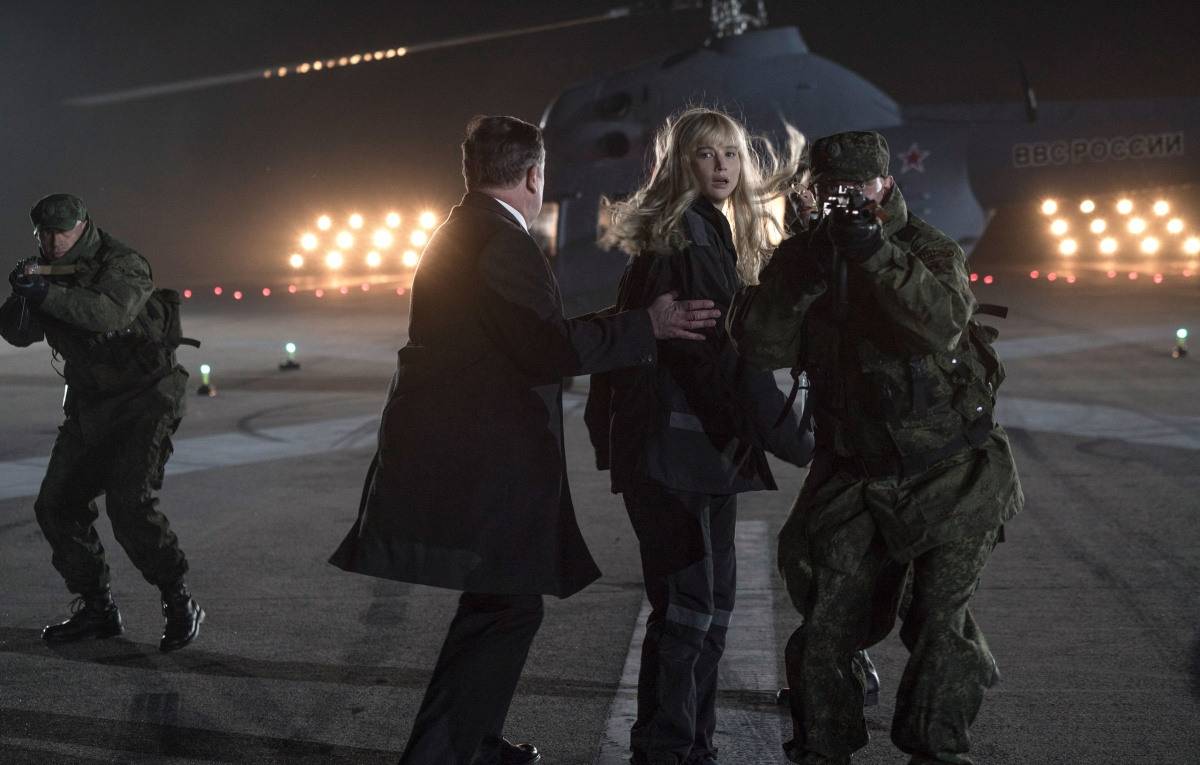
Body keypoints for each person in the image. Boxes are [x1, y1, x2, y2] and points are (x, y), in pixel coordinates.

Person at [328, 115, 723, 765]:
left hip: (464, 453)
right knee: (508, 607)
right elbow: (547, 348)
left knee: (500, 602)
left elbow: (529, 333)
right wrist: (644, 327)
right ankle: (444, 753)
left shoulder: (464, 229)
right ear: (536, 175)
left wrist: (622, 321)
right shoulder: (500, 241)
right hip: (485, 461)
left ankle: (473, 743)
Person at [728, 131, 1024, 765]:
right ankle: (824, 746)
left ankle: (937, 749)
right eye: (831, 190)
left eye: (857, 187)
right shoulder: (806, 255)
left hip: (950, 468)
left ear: (885, 185)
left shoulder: (925, 248)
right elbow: (760, 346)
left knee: (938, 622)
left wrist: (874, 252)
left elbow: (940, 325)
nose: (846, 199)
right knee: (827, 623)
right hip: (857, 470)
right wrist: (804, 271)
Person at [592, 107, 812, 765]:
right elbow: (725, 362)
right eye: (706, 154)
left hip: (701, 457)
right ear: (681, 164)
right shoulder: (685, 241)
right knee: (689, 612)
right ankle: (666, 749)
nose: (722, 167)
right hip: (677, 459)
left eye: (731, 154)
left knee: (709, 610)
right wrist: (800, 441)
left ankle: (693, 744)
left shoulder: (704, 233)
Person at [0, 193, 203, 652]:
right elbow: (17, 334)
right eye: (45, 234)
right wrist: (23, 293)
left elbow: (107, 313)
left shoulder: (122, 262)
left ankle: (179, 600)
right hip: (92, 404)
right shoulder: (46, 271)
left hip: (145, 398)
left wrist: (46, 293)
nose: (53, 242)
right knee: (56, 505)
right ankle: (98, 609)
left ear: (83, 225)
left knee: (129, 505)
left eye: (62, 232)